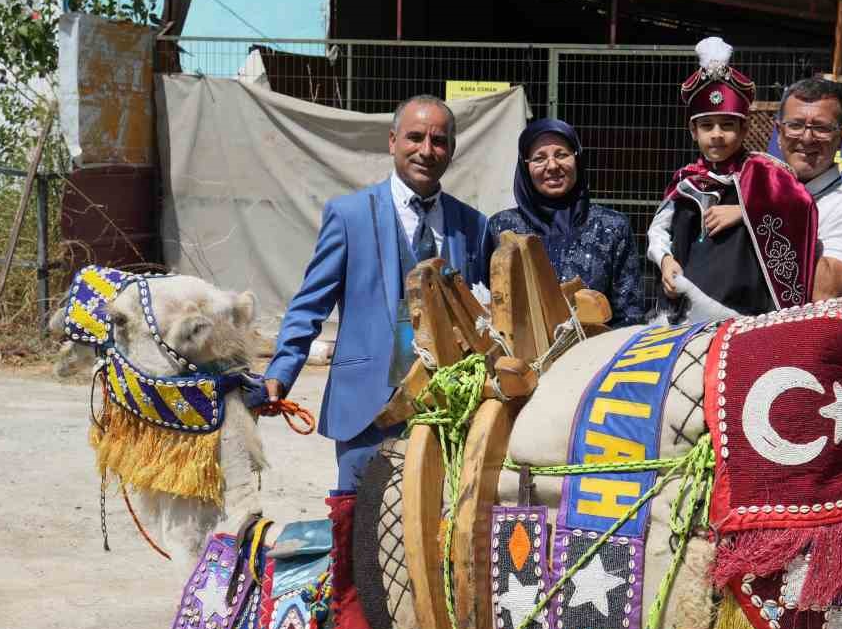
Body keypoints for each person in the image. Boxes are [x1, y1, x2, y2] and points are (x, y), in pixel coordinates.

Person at [263, 95, 494, 491]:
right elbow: (309, 306)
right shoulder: (349, 216)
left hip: (447, 413)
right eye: (415, 137)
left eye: (439, 141)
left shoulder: (473, 225)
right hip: (367, 408)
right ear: (392, 142)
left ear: (452, 150)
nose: (426, 150)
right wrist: (280, 374)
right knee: (362, 536)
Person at [647, 37, 818, 321]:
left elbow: (802, 208)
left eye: (727, 125)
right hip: (688, 305)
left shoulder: (766, 173)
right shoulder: (685, 180)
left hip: (746, 311)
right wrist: (666, 261)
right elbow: (658, 230)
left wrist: (746, 211)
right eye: (706, 125)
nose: (717, 134)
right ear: (693, 131)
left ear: (743, 129)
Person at [487, 118, 646, 327]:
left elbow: (630, 317)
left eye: (562, 155)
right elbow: (488, 306)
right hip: (519, 357)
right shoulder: (502, 227)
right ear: (525, 167)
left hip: (596, 355)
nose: (552, 166)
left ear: (577, 159)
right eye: (539, 158)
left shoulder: (611, 227)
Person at [774, 77, 842, 300]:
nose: (807, 137)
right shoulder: (746, 188)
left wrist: (769, 212)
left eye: (821, 128)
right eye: (795, 125)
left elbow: (823, 295)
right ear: (779, 133)